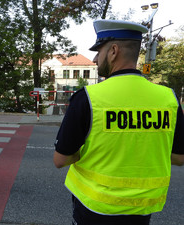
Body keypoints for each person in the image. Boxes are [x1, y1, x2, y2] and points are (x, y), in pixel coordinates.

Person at [53, 19, 184, 225]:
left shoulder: (88, 97)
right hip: (142, 209)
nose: (95, 59)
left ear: (113, 51)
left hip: (94, 208)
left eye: (99, 51)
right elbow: (178, 158)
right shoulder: (169, 98)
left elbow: (60, 160)